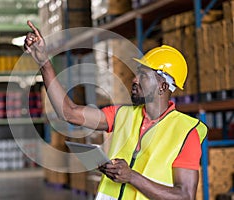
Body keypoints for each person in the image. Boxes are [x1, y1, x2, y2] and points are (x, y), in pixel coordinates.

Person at [24, 20, 208, 200]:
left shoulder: (186, 131)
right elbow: (69, 112)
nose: (134, 79)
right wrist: (44, 63)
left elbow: (184, 195)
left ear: (163, 87)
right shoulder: (121, 115)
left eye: (143, 75)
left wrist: (132, 176)